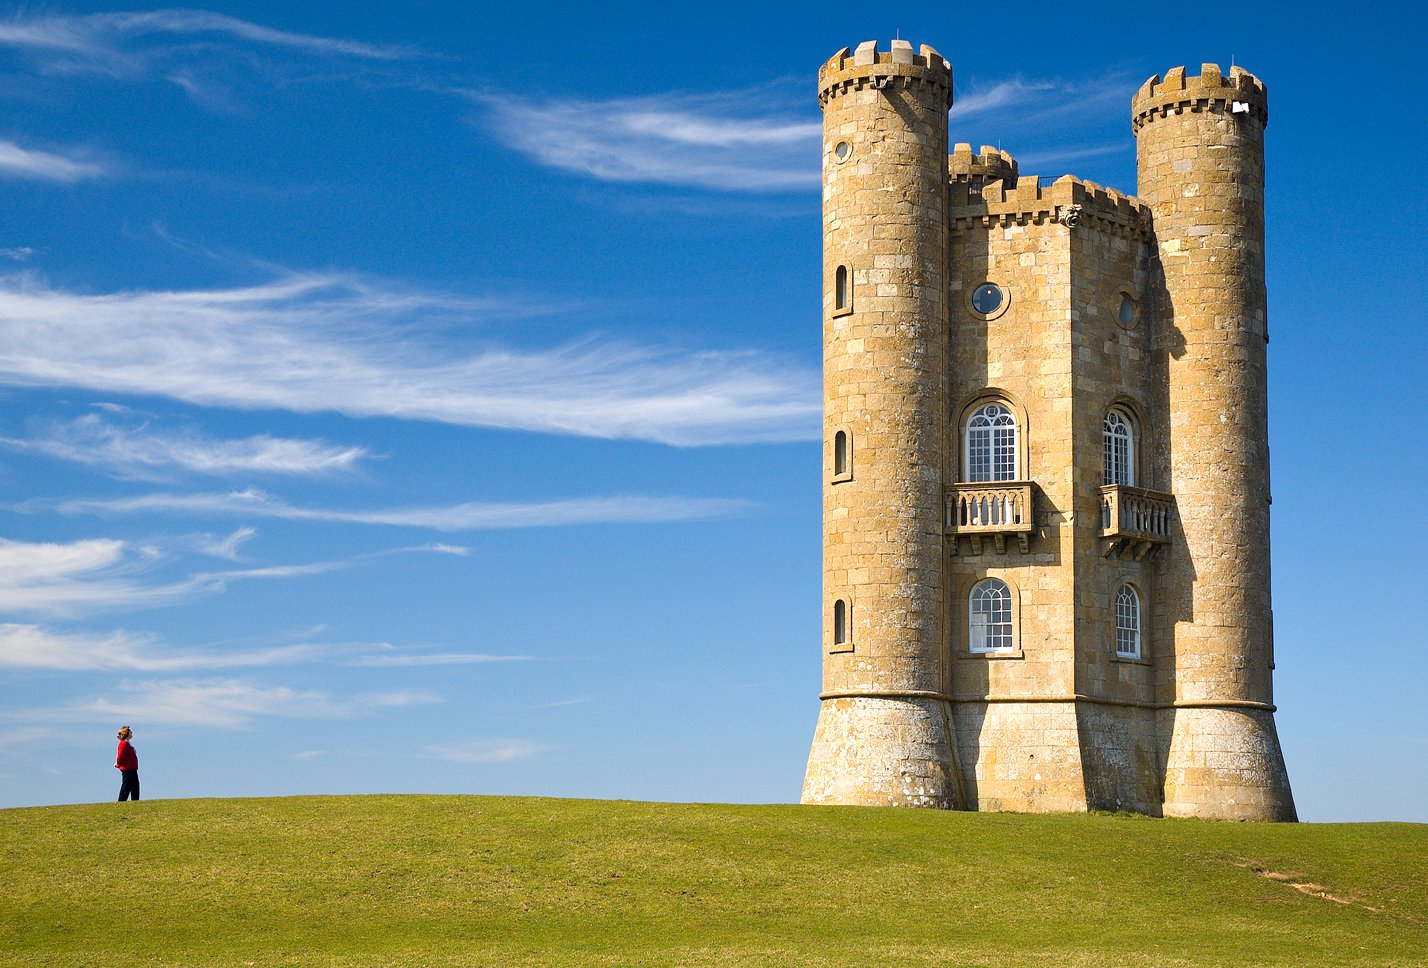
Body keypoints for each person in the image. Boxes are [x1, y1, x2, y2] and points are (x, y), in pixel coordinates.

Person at [115, 726, 140, 801]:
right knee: (126, 786)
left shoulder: (127, 744)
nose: (131, 733)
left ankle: (135, 801)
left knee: (135, 786)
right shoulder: (123, 744)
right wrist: (118, 764)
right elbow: (120, 756)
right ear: (126, 733)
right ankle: (121, 801)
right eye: (130, 731)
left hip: (132, 768)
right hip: (127, 769)